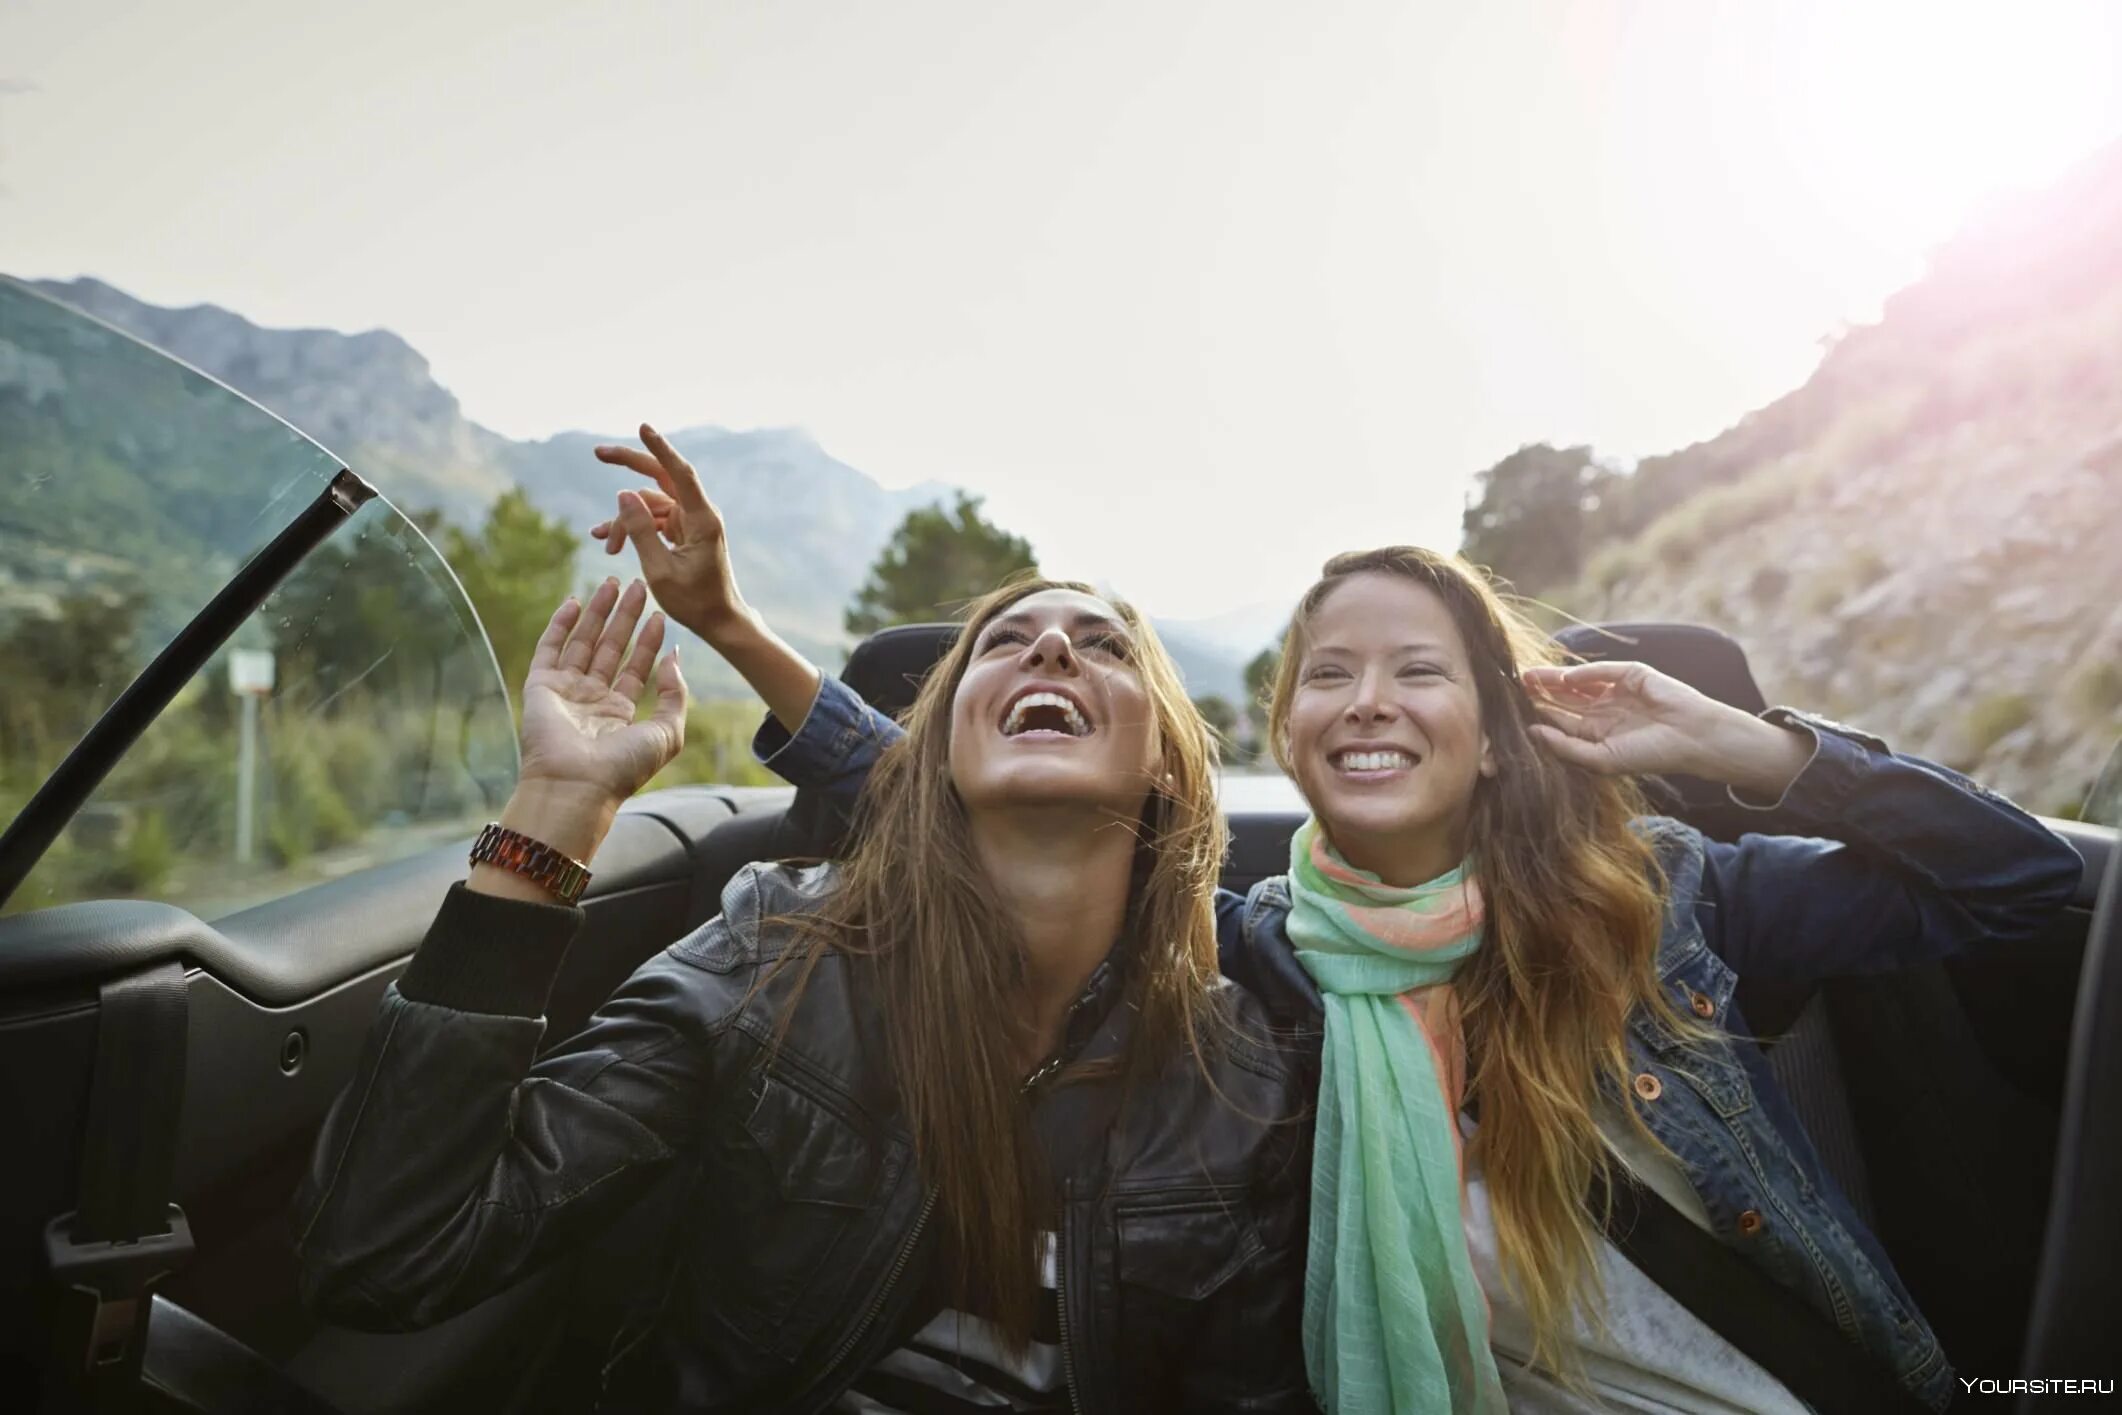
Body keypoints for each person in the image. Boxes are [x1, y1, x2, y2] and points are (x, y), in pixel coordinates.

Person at [587, 436, 2081, 1413]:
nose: (1367, 698)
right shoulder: (1253, 955)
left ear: (1497, 730)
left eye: (1417, 669)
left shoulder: (1671, 894)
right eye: (1328, 673)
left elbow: (2021, 882)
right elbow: (951, 796)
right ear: (1282, 734)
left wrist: (1736, 740)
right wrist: (728, 627)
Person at [293, 557, 1318, 1412]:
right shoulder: (772, 949)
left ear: (1170, 766)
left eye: (1104, 645)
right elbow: (394, 1251)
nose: (1049, 646)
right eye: (1004, 641)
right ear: (932, 756)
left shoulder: (1249, 1076)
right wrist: (556, 803)